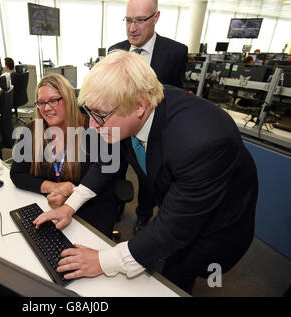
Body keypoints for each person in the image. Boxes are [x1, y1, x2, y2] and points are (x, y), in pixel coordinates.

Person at [33, 50, 258, 294]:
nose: (92, 125)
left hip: (216, 226)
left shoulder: (203, 143)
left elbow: (174, 228)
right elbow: (105, 163)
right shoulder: (124, 108)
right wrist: (70, 205)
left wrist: (101, 261)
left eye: (100, 116)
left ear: (139, 106)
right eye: (90, 112)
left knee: (176, 274)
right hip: (178, 201)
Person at [108, 0, 188, 234]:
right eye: (128, 20)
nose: (133, 28)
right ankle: (116, 207)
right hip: (119, 129)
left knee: (148, 180)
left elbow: (175, 96)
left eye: (140, 20)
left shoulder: (175, 52)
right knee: (114, 170)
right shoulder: (115, 50)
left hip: (151, 135)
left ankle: (143, 215)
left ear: (156, 17)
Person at [10, 74, 118, 238]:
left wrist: (70, 197)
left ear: (68, 99)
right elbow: (17, 174)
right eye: (41, 102)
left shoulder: (93, 130)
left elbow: (103, 178)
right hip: (49, 208)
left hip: (89, 212)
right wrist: (52, 187)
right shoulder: (32, 131)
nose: (46, 108)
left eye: (53, 100)